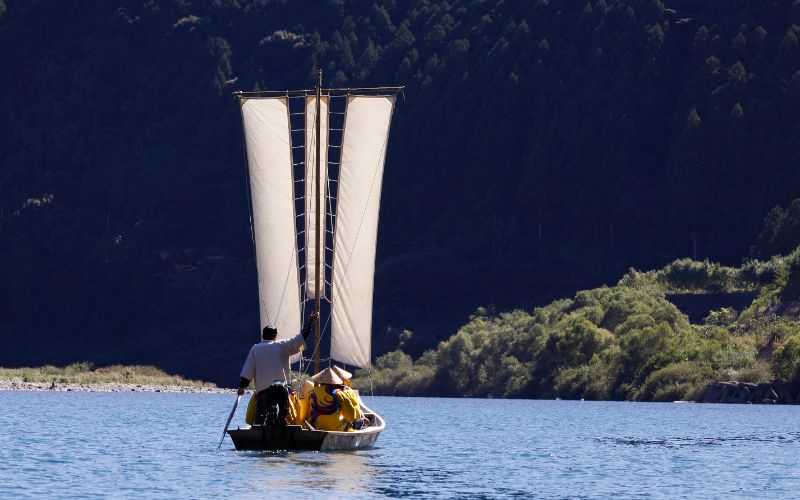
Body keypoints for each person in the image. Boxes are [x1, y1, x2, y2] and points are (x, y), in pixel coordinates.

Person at [239, 312, 318, 425]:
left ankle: (258, 431)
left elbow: (247, 371)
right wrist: (309, 323)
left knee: (261, 418)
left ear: (263, 336)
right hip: (282, 390)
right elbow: (301, 338)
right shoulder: (282, 345)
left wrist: (242, 387)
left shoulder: (255, 349)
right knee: (285, 417)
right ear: (275, 336)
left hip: (264, 391)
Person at [307, 366, 369, 432]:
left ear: (320, 381)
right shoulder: (339, 393)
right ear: (335, 382)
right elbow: (351, 417)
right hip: (336, 429)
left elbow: (304, 415)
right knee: (358, 421)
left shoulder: (311, 392)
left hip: (316, 427)